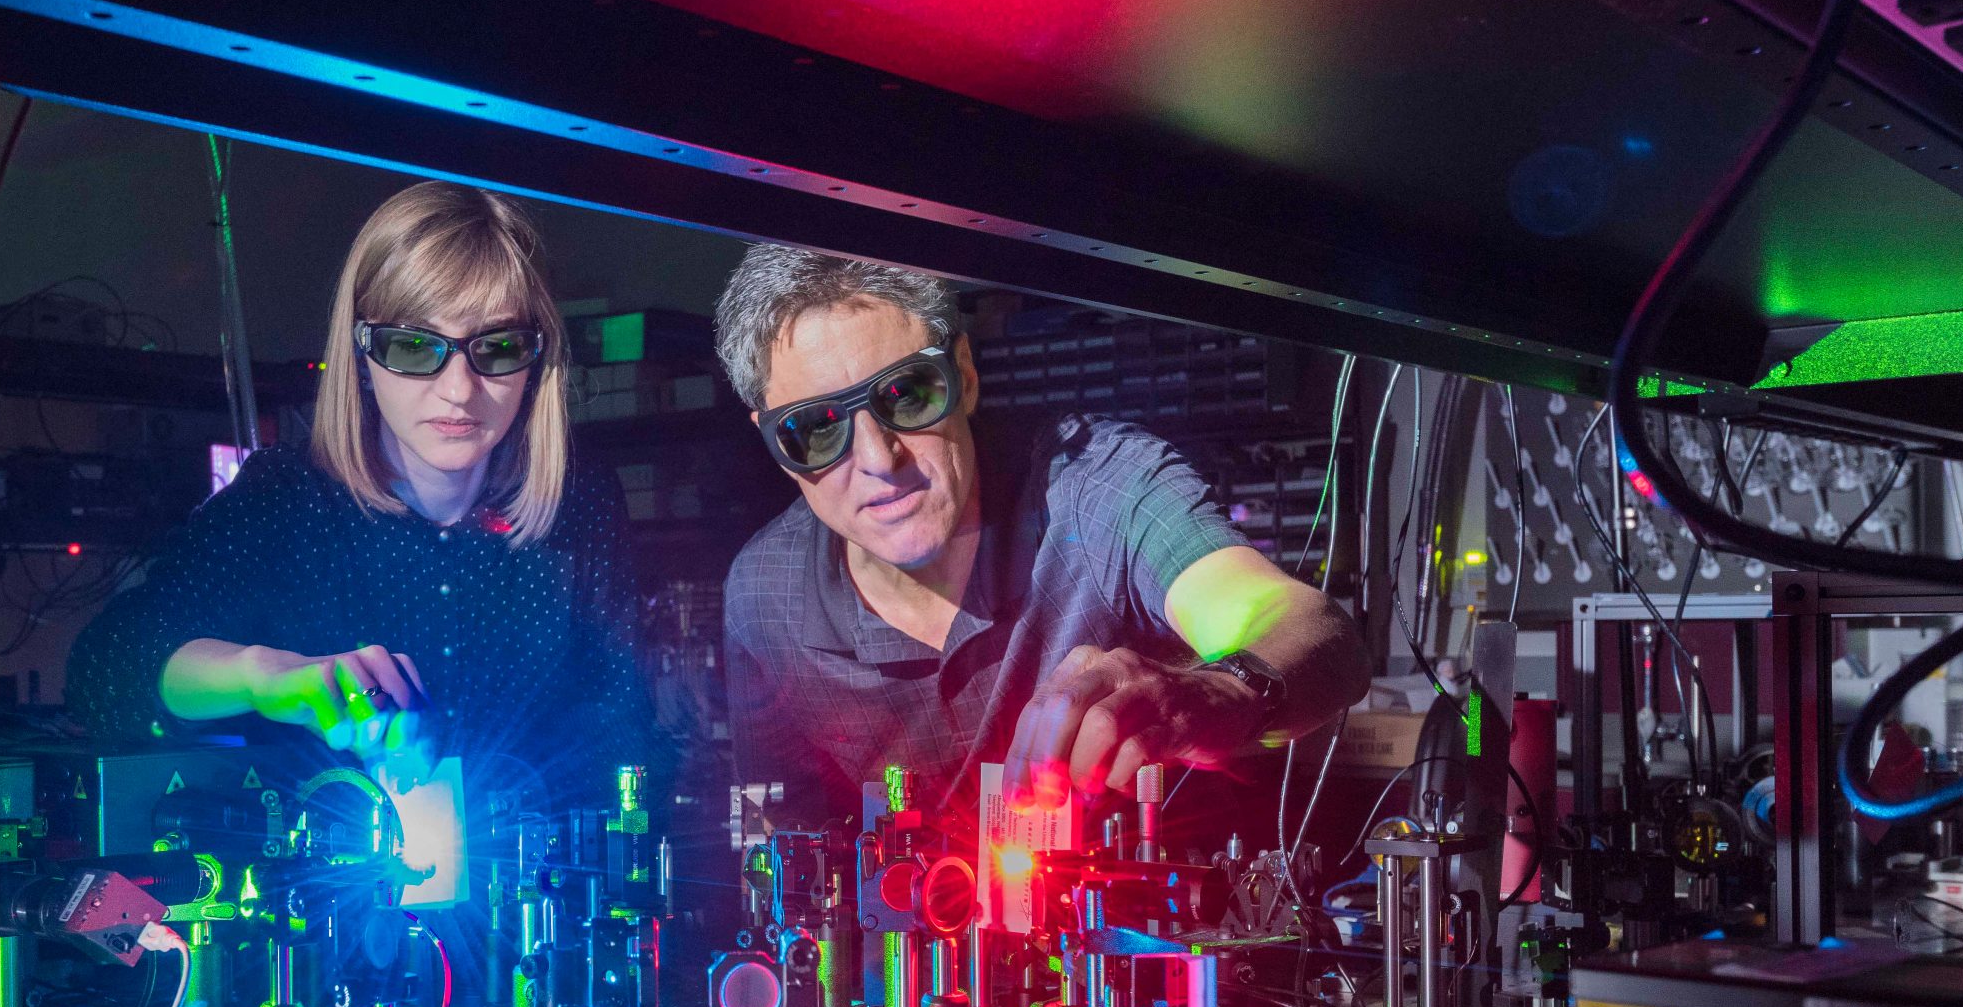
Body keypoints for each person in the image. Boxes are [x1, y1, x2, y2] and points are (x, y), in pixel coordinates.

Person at [714, 247, 1370, 827]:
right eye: (816, 429)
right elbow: (774, 842)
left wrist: (1223, 690)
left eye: (906, 394)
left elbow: (1316, 633)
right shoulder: (765, 594)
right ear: (774, 444)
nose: (879, 460)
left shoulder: (1096, 490)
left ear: (964, 376)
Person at [68, 180, 653, 808]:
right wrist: (266, 676)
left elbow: (620, 733)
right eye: (414, 346)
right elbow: (108, 669)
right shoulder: (288, 501)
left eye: (498, 347)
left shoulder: (579, 503)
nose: (459, 389)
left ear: (537, 360)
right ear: (362, 356)